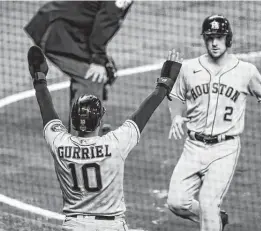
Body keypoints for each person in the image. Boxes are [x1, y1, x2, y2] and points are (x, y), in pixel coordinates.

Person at [27, 45, 182, 231]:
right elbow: (143, 113)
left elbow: (47, 110)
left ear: (73, 121)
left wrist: (40, 79)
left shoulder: (59, 143)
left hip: (74, 225)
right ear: (100, 120)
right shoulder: (115, 144)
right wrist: (164, 85)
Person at [166, 15, 261, 231]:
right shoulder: (189, 68)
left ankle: (212, 219)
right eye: (210, 38)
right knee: (176, 202)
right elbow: (176, 96)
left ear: (228, 39)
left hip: (224, 150)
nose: (214, 43)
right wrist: (177, 116)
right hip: (193, 148)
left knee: (209, 203)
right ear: (204, 40)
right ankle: (218, 219)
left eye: (219, 37)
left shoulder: (245, 71)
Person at [24, 1, 133, 134]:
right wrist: (98, 60)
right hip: (55, 31)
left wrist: (100, 60)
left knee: (107, 71)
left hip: (70, 30)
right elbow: (104, 23)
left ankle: (88, 125)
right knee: (92, 78)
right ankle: (82, 141)